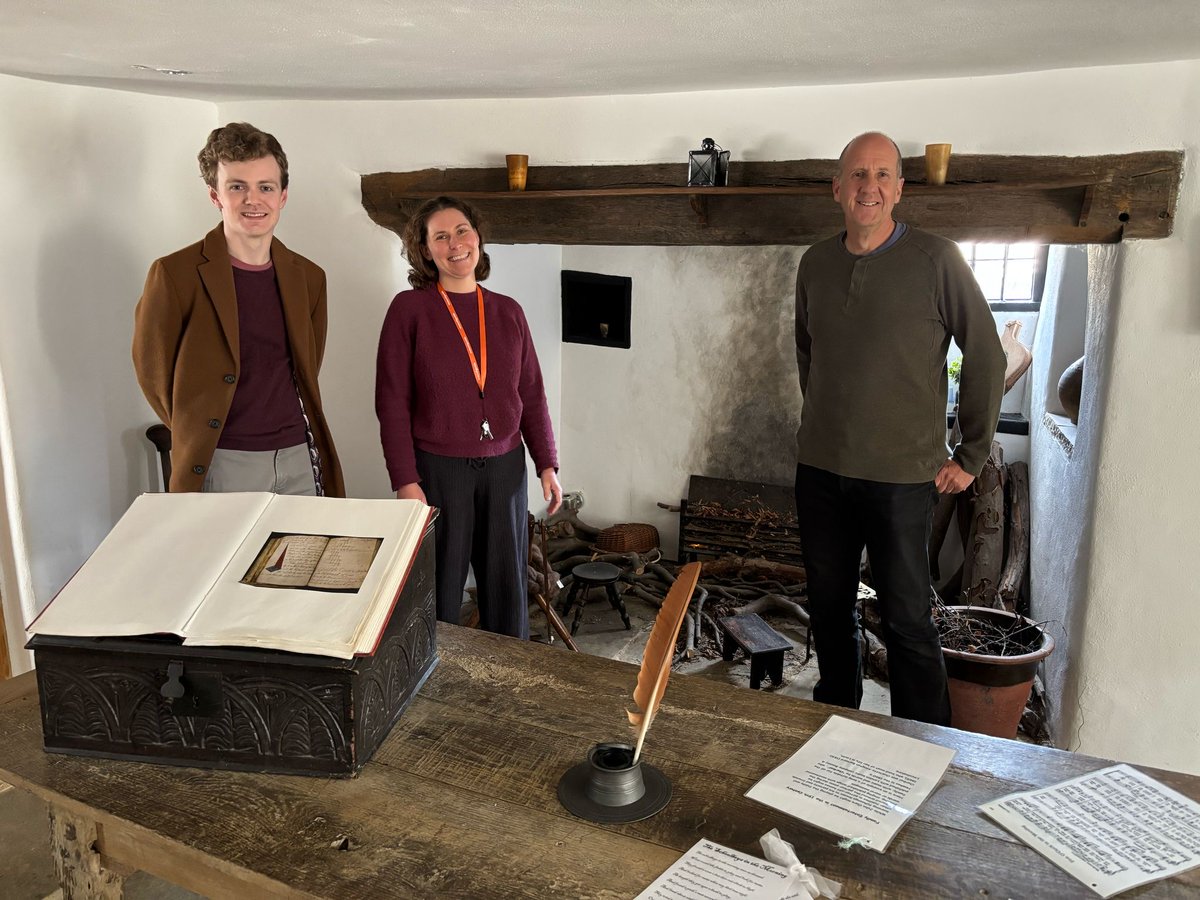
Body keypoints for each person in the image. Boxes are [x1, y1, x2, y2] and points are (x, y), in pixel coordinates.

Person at [793, 131, 1005, 725]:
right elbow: (808, 351)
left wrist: (971, 454)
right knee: (828, 609)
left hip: (902, 479)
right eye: (858, 174)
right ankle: (836, 719)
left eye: (883, 174)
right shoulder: (815, 263)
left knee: (907, 618)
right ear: (837, 188)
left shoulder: (937, 260)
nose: (870, 186)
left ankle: (923, 740)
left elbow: (986, 352)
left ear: (900, 189)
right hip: (820, 472)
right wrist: (829, 421)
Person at [376, 196, 561, 640]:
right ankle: (439, 673)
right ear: (425, 250)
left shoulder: (508, 311)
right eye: (440, 237)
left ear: (478, 237)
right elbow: (392, 401)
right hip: (439, 472)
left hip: (505, 471)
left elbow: (531, 393)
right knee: (439, 592)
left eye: (462, 231)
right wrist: (405, 480)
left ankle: (510, 672)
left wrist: (546, 464)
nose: (455, 244)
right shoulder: (409, 310)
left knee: (507, 590)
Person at [133, 122, 343, 496]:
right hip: (223, 457)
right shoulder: (175, 274)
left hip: (299, 454)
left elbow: (307, 366)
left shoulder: (309, 277)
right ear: (215, 196)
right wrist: (199, 430)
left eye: (265, 187)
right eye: (237, 187)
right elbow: (153, 374)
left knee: (306, 539)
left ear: (283, 196)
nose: (253, 199)